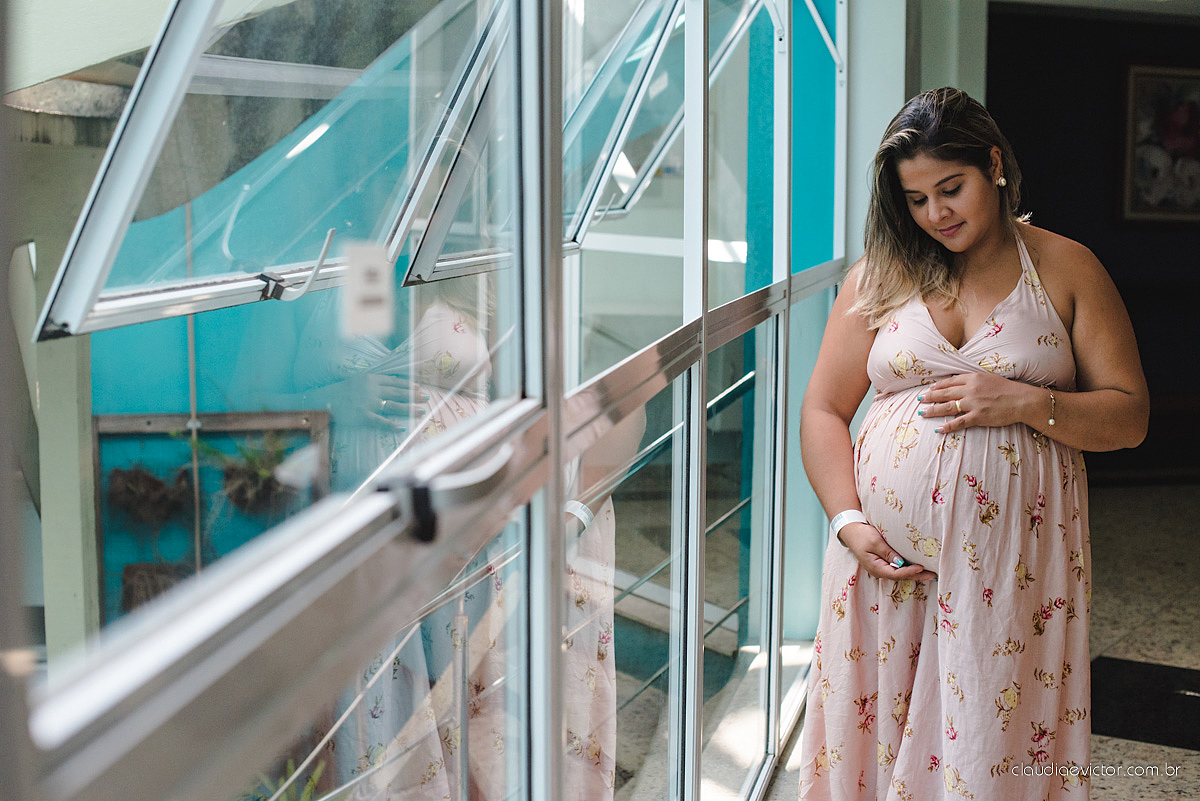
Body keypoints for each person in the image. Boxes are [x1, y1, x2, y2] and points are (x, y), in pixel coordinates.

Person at [795, 88, 1149, 800]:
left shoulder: (1066, 268)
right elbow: (823, 409)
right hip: (882, 568)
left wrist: (1023, 401)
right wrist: (847, 519)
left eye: (950, 189)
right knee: (879, 724)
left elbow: (1130, 415)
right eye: (916, 198)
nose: (936, 214)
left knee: (993, 731)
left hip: (1011, 569)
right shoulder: (883, 273)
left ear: (993, 165)